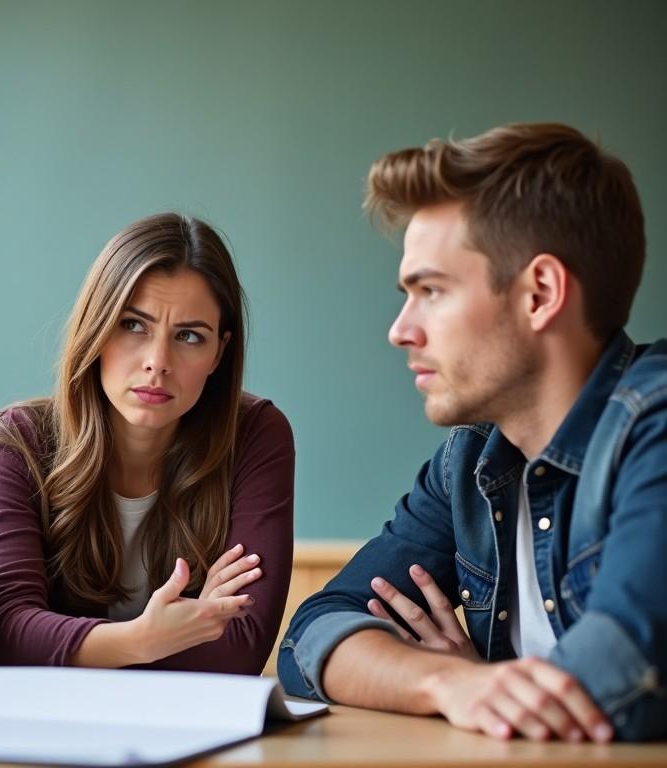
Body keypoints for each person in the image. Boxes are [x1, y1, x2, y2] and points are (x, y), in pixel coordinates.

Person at [278, 123, 666, 742]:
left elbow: (627, 675)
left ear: (539, 293)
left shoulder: (656, 426)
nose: (400, 330)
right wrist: (450, 683)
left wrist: (491, 680)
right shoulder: (473, 459)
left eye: (430, 290)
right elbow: (312, 636)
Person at [0, 213, 294, 673]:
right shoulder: (20, 443)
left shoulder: (256, 435)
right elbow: (6, 634)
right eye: (133, 325)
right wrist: (143, 640)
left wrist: (67, 645)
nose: (158, 362)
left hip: (191, 732)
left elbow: (239, 649)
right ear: (97, 328)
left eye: (189, 336)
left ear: (219, 352)